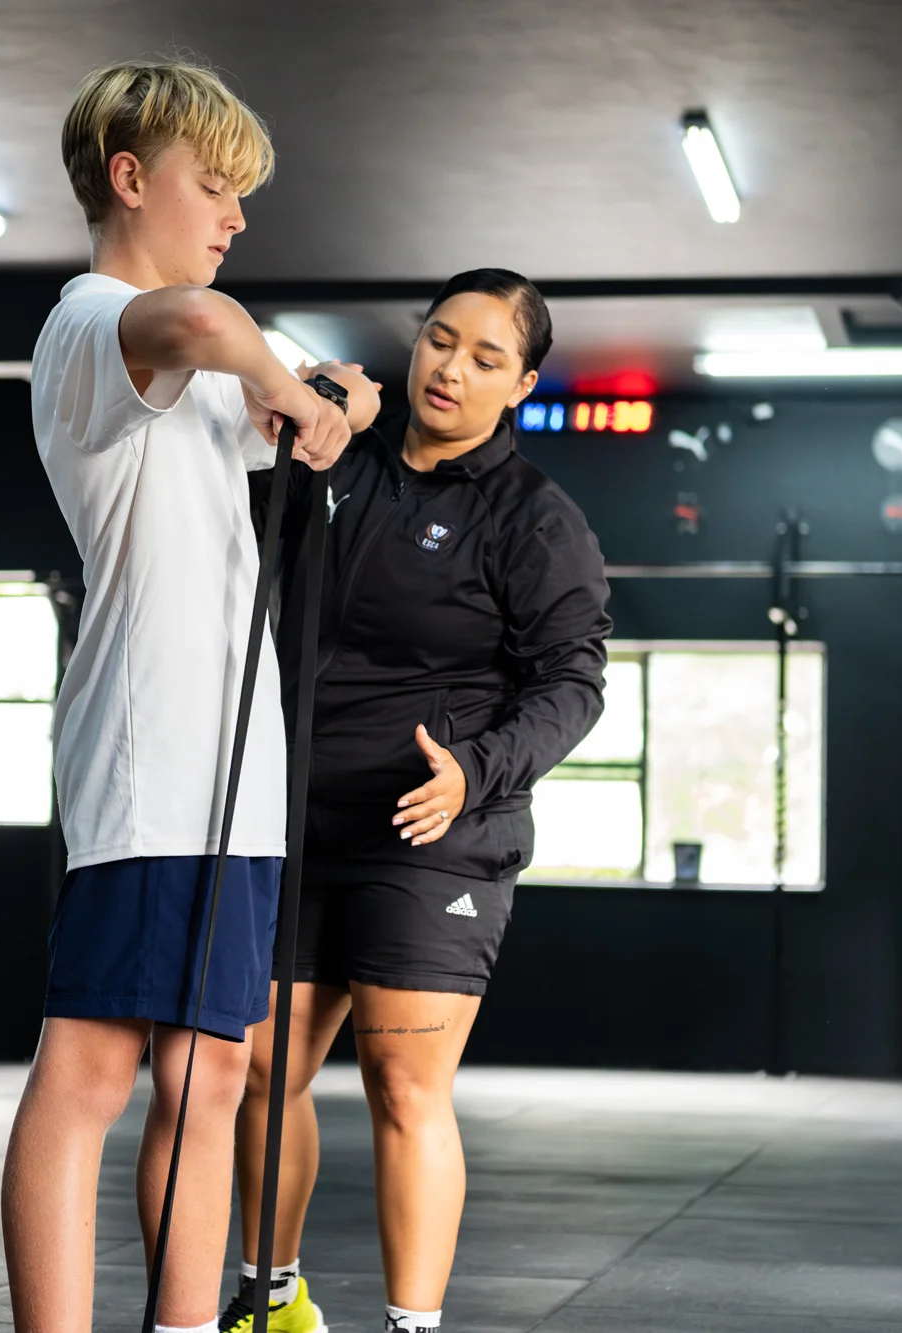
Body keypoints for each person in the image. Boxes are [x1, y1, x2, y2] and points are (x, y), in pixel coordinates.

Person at [0, 59, 380, 1333]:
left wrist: (332, 398)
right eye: (211, 188)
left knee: (216, 1073)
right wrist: (287, 387)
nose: (232, 218)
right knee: (91, 1069)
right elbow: (218, 335)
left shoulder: (198, 344)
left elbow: (307, 377)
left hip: (235, 767)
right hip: (150, 759)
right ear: (128, 178)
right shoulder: (96, 324)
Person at [225, 271, 612, 1333]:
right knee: (262, 1068)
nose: (450, 367)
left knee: (402, 1082)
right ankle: (274, 1295)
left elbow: (572, 684)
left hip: (433, 825)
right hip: (295, 811)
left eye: (486, 357)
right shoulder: (335, 454)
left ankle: (411, 1324)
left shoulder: (533, 518)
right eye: (440, 340)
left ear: (522, 383)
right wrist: (311, 402)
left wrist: (476, 770)